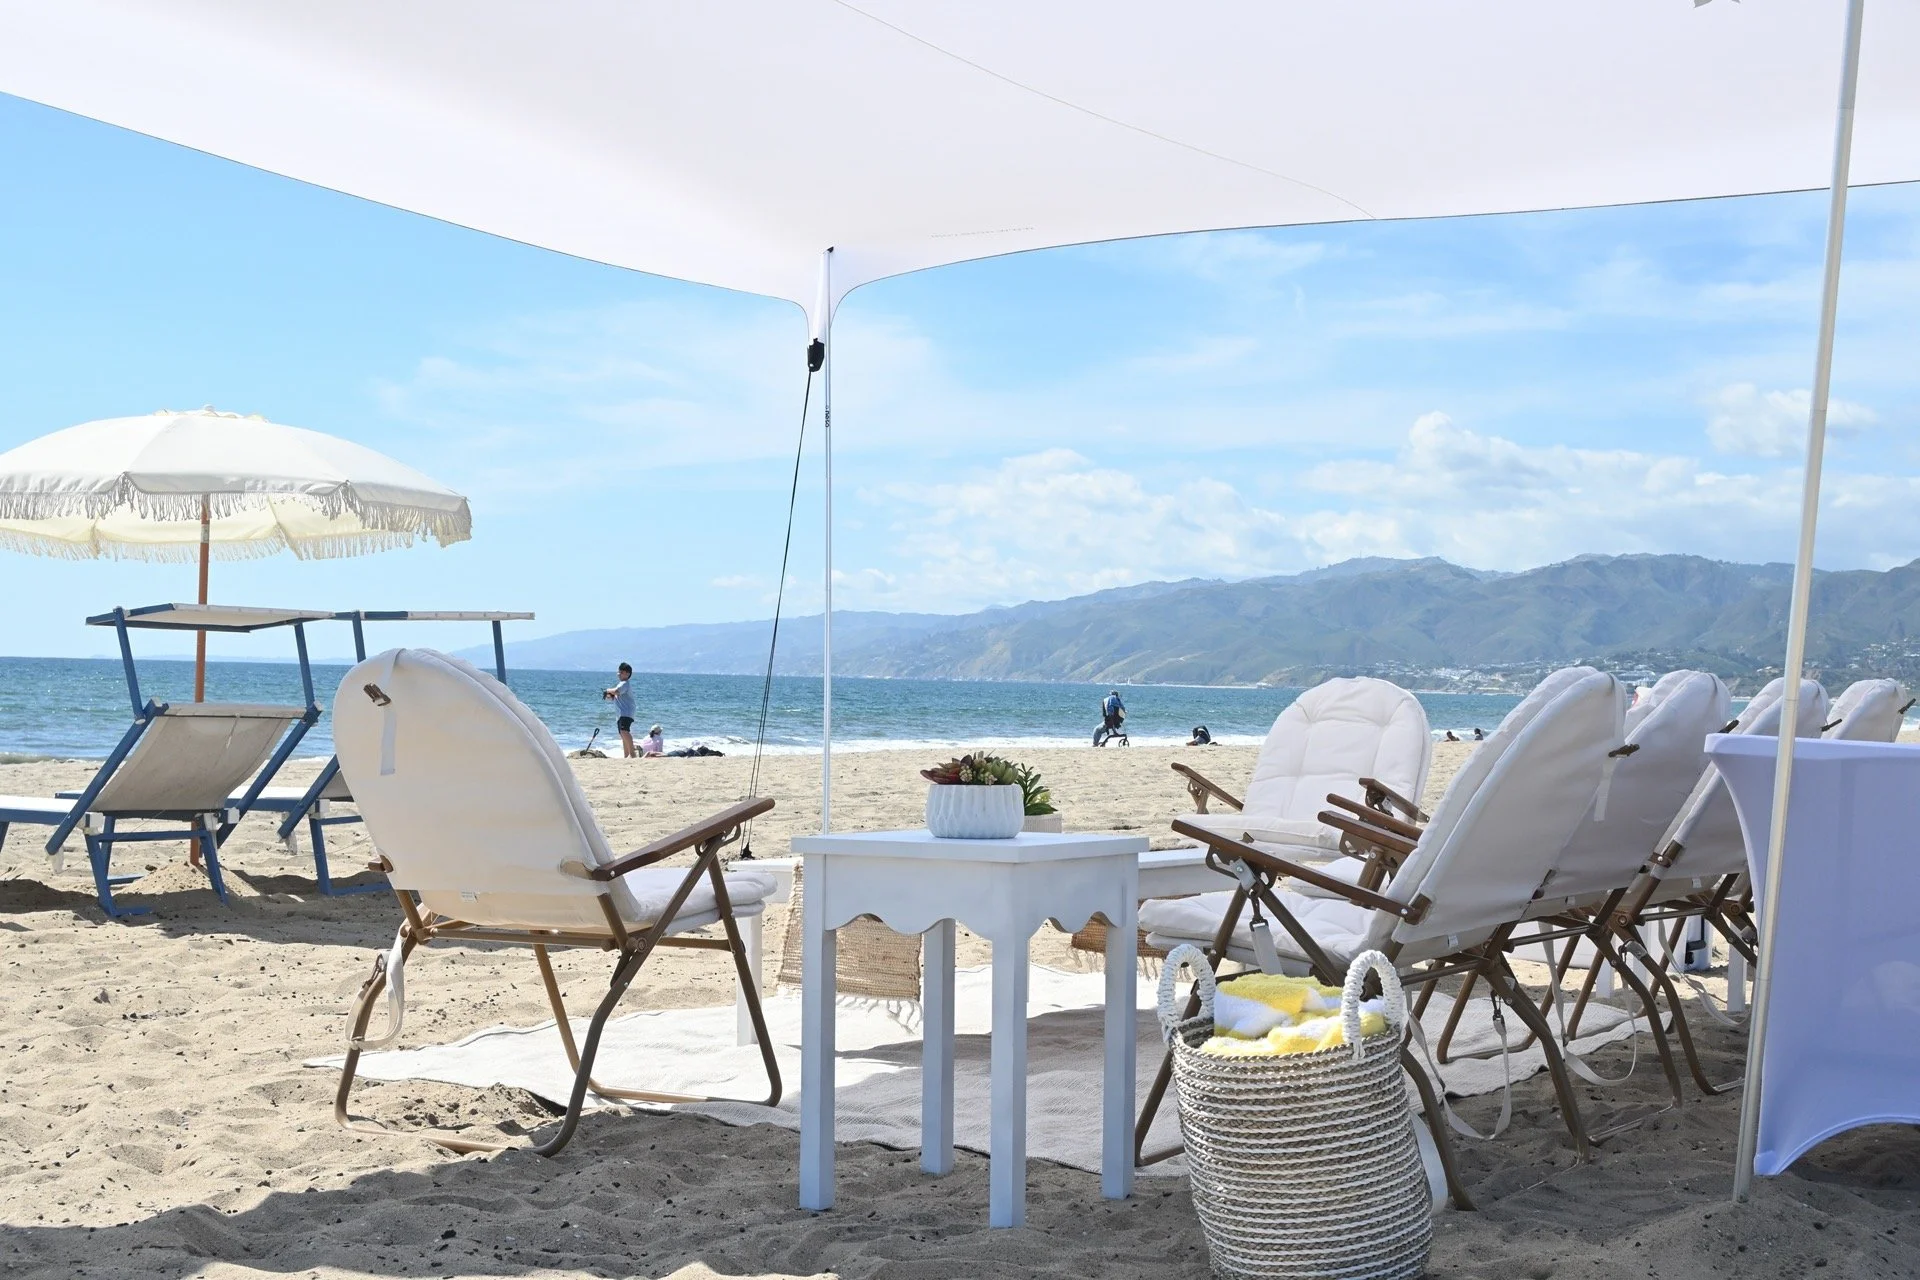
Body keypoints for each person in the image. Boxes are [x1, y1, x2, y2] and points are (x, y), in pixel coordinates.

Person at [603, 662, 637, 758]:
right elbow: (614, 696)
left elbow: (616, 691)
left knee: (624, 732)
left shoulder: (624, 683)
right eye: (618, 671)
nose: (618, 674)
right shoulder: (621, 684)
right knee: (623, 735)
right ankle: (626, 756)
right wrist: (608, 695)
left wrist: (608, 690)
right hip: (621, 713)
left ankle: (633, 755)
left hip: (626, 712)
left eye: (621, 672)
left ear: (627, 674)